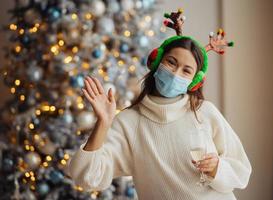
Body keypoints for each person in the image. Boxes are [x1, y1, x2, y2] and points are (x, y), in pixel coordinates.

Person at [66, 34, 252, 200]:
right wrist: (103, 123)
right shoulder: (129, 122)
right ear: (156, 62)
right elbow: (87, 178)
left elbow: (241, 171)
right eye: (171, 62)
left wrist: (217, 168)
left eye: (186, 71)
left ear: (194, 81)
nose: (175, 74)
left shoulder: (205, 112)